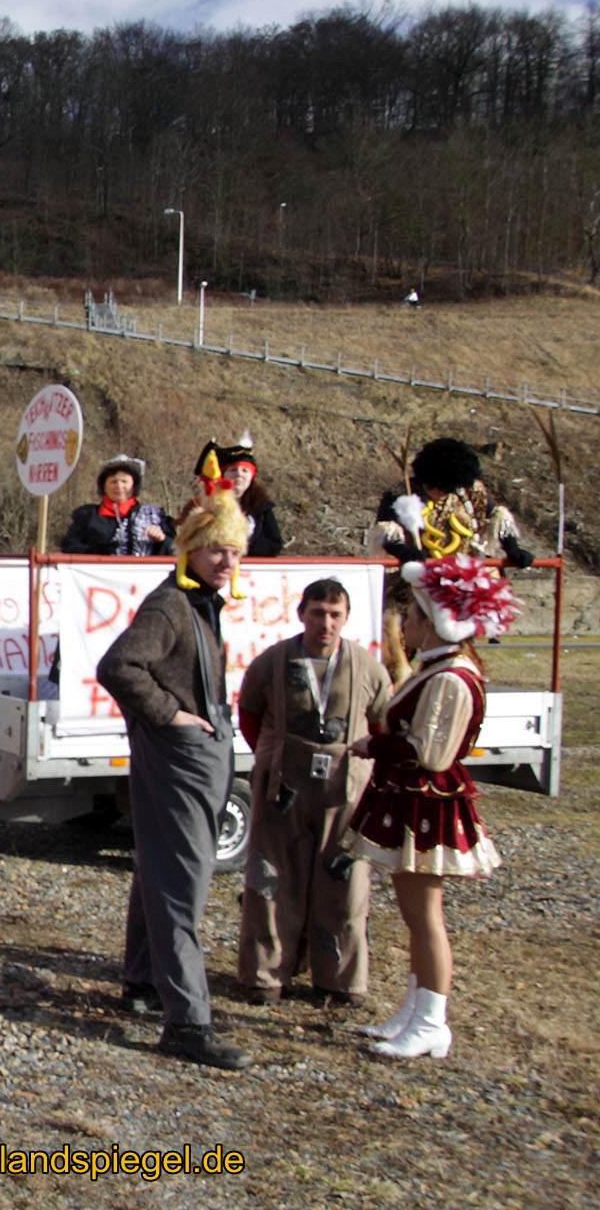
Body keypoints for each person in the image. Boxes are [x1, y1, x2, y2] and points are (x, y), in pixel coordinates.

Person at [96, 448, 251, 1070]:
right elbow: (118, 665)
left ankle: (141, 982)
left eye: (234, 551)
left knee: (159, 869)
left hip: (192, 756)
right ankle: (188, 1021)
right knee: (183, 882)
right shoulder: (172, 604)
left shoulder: (201, 603)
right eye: (215, 550)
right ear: (189, 547)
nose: (226, 561)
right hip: (177, 756)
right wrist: (171, 716)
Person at [345, 553, 517, 1059]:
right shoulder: (437, 669)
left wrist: (374, 745)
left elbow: (431, 753)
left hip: (428, 804)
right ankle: (415, 1009)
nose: (407, 625)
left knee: (425, 917)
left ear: (437, 622)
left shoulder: (450, 678)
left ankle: (432, 1021)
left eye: (414, 616)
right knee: (414, 913)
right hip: (413, 800)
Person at [235, 579, 392, 1007]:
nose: (326, 623)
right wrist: (274, 756)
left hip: (345, 787)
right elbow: (250, 715)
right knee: (271, 877)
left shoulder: (368, 668)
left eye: (335, 614)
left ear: (346, 618)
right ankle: (265, 976)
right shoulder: (272, 663)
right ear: (301, 613)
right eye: (318, 613)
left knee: (346, 882)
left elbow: (382, 724)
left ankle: (339, 981)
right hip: (283, 785)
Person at [368, 437, 532, 681]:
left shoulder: (470, 492)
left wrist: (513, 549)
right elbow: (385, 531)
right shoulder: (403, 492)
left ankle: (452, 680)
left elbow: (496, 517)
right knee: (397, 644)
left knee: (454, 646)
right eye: (434, 486)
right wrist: (404, 552)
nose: (439, 492)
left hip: (455, 584)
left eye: (445, 488)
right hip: (412, 582)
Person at [179, 436, 283, 556]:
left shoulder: (262, 507)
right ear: (223, 475)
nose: (239, 474)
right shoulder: (203, 504)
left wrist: (247, 538)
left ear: (251, 476)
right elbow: (188, 542)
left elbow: (274, 546)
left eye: (245, 470)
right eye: (233, 470)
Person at [61, 455, 170, 555]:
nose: (119, 486)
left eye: (124, 481)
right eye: (113, 482)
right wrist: (97, 551)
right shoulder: (87, 515)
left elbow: (175, 550)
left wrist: (162, 539)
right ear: (104, 486)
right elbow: (69, 546)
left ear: (134, 486)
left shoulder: (154, 515)